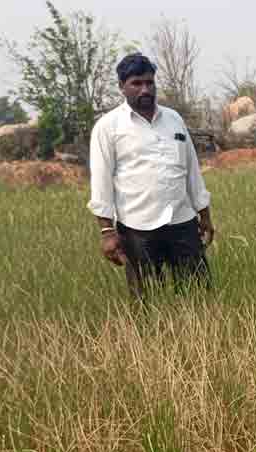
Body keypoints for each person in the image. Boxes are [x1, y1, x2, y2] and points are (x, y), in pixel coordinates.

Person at [89, 52, 215, 300]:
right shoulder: (108, 127)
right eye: (136, 83)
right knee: (147, 298)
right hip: (138, 227)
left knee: (199, 295)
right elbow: (101, 182)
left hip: (182, 222)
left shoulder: (174, 119)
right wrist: (107, 233)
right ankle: (150, 339)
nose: (145, 89)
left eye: (149, 82)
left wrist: (205, 214)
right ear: (122, 87)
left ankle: (198, 337)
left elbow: (191, 170)